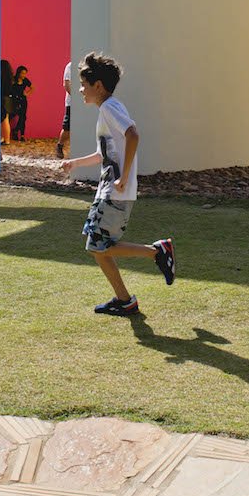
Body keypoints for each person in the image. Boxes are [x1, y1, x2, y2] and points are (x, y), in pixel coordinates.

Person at [61, 52, 174, 316]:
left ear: (97, 85)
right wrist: (75, 163)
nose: (79, 90)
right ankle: (125, 300)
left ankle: (156, 252)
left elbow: (133, 134)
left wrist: (124, 177)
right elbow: (106, 154)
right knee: (98, 247)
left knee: (98, 246)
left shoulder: (110, 108)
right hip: (108, 190)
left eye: (83, 84)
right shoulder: (108, 110)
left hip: (115, 191)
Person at [9, 65, 33, 141]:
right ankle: (10, 132)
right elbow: (9, 88)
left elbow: (32, 87)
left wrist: (27, 93)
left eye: (25, 73)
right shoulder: (13, 79)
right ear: (18, 73)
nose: (24, 75)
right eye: (22, 73)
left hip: (23, 100)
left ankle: (21, 135)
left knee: (23, 117)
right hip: (14, 101)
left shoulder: (25, 80)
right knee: (11, 115)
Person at [56, 61, 72, 158]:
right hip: (72, 102)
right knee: (67, 127)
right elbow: (66, 84)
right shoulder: (70, 66)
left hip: (85, 100)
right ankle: (60, 145)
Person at [0, 59, 14, 146]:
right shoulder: (9, 77)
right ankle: (5, 138)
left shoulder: (1, 78)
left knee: (4, 119)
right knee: (6, 119)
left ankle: (6, 139)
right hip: (8, 99)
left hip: (3, 99)